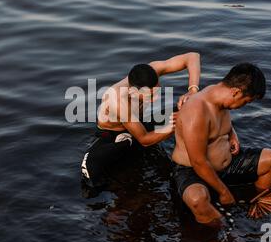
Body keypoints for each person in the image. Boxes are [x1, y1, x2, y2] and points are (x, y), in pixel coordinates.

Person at [172, 63, 271, 227]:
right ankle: (223, 230)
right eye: (245, 102)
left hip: (228, 164)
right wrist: (224, 193)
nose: (243, 106)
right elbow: (198, 162)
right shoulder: (196, 110)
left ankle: (258, 201)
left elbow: (218, 124)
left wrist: (232, 135)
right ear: (236, 92)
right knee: (197, 199)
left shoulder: (219, 95)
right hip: (192, 171)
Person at [81, 52, 201, 187]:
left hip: (139, 123)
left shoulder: (151, 71)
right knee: (92, 172)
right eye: (150, 95)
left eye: (157, 91)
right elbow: (144, 140)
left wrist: (193, 90)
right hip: (113, 134)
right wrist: (175, 126)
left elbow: (192, 57)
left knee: (191, 107)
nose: (155, 98)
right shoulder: (117, 100)